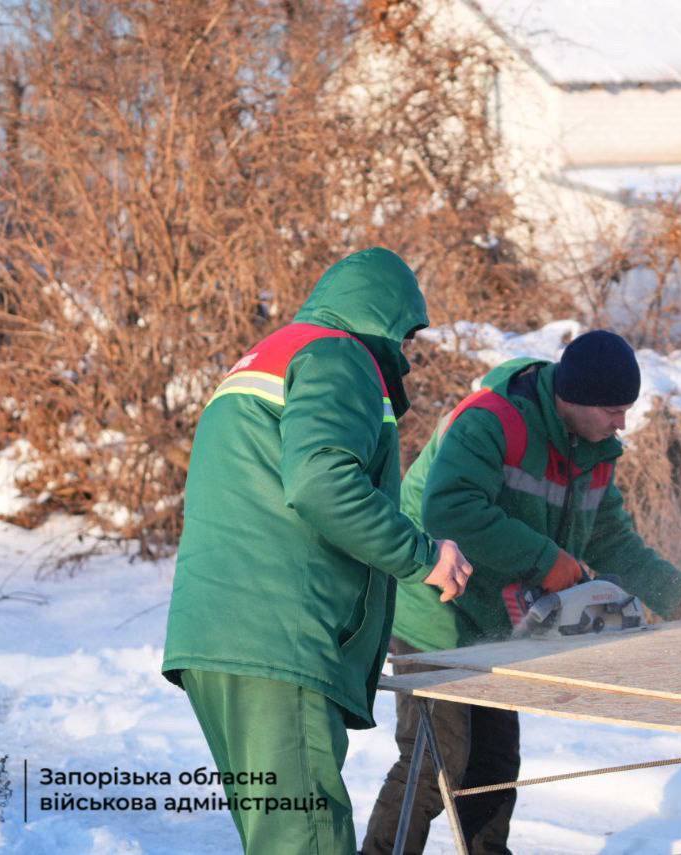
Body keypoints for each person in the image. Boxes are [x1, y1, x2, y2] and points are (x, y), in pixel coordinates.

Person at [161, 248, 474, 854]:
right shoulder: (339, 355)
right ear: (384, 317)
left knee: (279, 836)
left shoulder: (271, 355)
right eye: (406, 336)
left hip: (221, 641)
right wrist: (422, 554)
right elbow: (320, 482)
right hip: (280, 638)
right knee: (305, 840)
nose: (406, 355)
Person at [362, 329, 681, 854]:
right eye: (615, 410)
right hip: (433, 609)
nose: (623, 423)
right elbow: (449, 512)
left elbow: (613, 539)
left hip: (495, 624)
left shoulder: (594, 447)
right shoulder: (491, 420)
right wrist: (548, 561)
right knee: (437, 759)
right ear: (574, 399)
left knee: (496, 764)